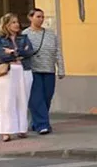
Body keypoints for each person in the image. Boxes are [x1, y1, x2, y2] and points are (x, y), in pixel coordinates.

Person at [24, 7, 66, 135]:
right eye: (38, 17)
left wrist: (61, 68)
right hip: (33, 70)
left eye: (42, 17)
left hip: (49, 69)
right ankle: (43, 125)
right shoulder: (25, 34)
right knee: (37, 98)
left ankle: (36, 122)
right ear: (30, 18)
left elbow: (57, 51)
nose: (41, 19)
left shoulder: (50, 34)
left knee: (47, 97)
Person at [0, 13, 35, 141]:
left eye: (17, 22)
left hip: (24, 70)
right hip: (8, 71)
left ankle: (22, 129)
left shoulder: (23, 37)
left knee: (23, 100)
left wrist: (13, 52)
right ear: (6, 25)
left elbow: (29, 52)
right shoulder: (0, 39)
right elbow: (2, 56)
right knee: (7, 101)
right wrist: (16, 54)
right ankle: (6, 131)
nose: (17, 24)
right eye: (13, 22)